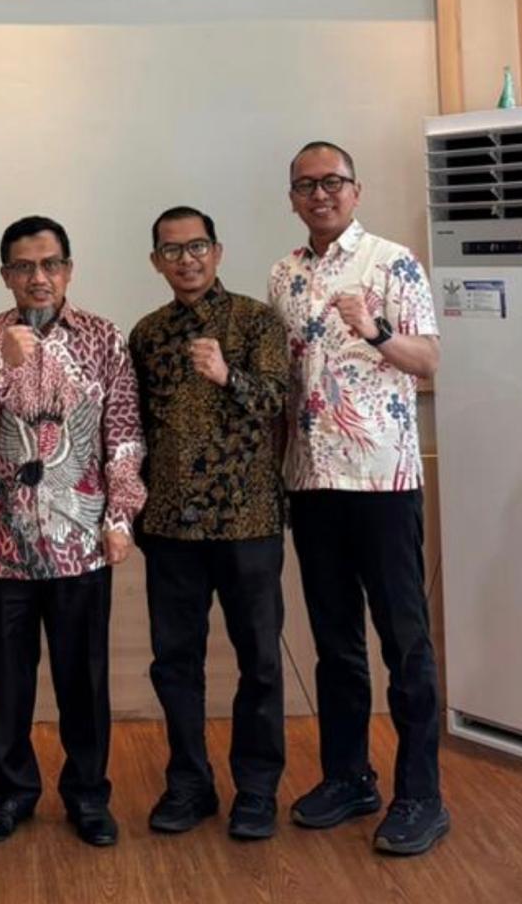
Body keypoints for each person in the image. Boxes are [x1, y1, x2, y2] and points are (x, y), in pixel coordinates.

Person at [268, 141, 448, 856]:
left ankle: (421, 795)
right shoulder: (283, 274)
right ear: (292, 198)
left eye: (332, 182)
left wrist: (373, 329)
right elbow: (286, 381)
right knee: (335, 643)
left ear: (355, 189)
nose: (320, 194)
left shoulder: (393, 262)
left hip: (382, 481)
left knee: (404, 642)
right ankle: (349, 778)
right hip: (312, 481)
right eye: (306, 185)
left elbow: (428, 360)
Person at [0, 215, 146, 848]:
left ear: (68, 269)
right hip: (0, 546)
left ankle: (88, 795)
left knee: (83, 680)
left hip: (79, 545)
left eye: (51, 264)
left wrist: (120, 517)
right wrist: (2, 368)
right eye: (25, 266)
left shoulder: (103, 337)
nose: (39, 277)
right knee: (7, 683)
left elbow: (123, 432)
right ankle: (11, 794)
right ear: (6, 274)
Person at [129, 206, 289, 840]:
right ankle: (189, 783)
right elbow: (134, 427)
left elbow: (277, 399)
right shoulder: (146, 334)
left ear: (217, 252)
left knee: (261, 661)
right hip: (171, 524)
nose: (186, 260)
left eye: (197, 247)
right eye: (172, 251)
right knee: (174, 662)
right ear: (156, 262)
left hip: (248, 518)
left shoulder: (256, 320)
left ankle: (257, 789)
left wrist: (227, 375)